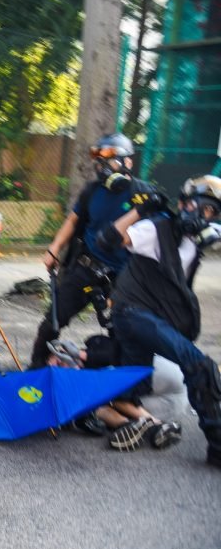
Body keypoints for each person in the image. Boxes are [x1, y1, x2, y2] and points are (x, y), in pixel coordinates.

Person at [97, 174, 221, 469]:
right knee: (199, 364)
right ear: (184, 204)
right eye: (201, 208)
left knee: (132, 380)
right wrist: (141, 210)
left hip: (145, 317)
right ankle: (217, 444)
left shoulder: (197, 240)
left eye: (212, 212)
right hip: (132, 313)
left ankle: (103, 412)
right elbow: (108, 240)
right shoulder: (158, 228)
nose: (205, 217)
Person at [29, 132, 144, 368]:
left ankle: (120, 385)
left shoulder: (141, 195)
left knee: (124, 332)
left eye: (109, 160)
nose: (102, 167)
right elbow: (73, 220)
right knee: (51, 323)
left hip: (122, 278)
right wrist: (54, 249)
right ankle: (35, 370)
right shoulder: (92, 191)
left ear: (128, 162)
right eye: (99, 161)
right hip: (87, 268)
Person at [46, 337, 183, 451]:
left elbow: (115, 354)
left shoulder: (95, 343)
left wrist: (80, 356)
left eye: (58, 360)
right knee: (96, 405)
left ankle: (152, 425)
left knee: (106, 384)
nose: (58, 366)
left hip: (163, 374)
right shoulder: (77, 391)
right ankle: (145, 427)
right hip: (169, 405)